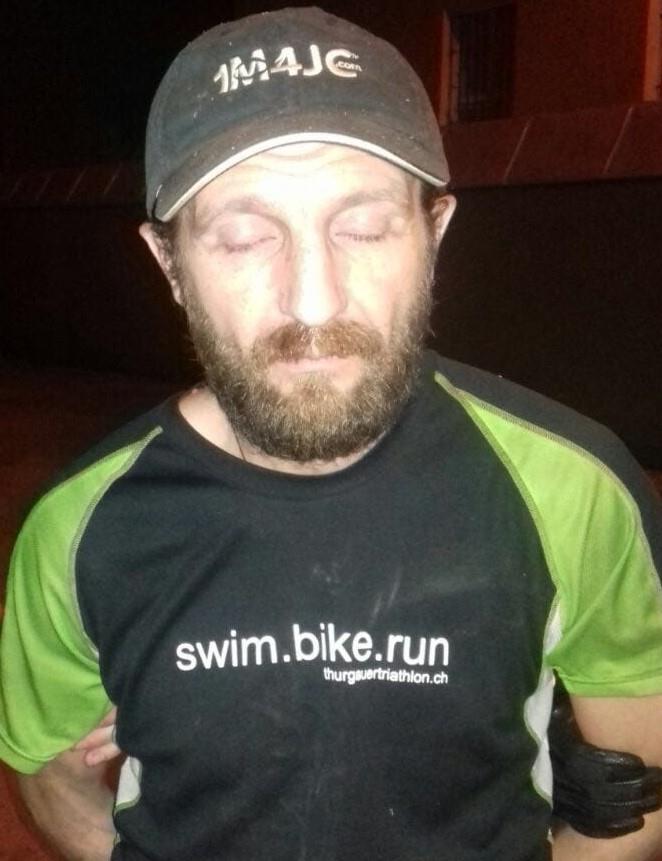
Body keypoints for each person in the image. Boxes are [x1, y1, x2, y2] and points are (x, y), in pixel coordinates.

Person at [1, 7, 661, 861]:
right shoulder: (79, 527)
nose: (312, 301)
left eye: (364, 227)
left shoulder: (577, 491)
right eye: (243, 238)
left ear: (434, 233)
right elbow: (48, 774)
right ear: (169, 264)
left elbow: (638, 799)